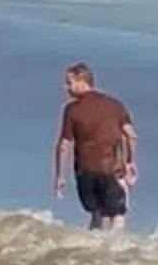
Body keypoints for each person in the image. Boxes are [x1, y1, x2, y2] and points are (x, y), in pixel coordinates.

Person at [52, 63, 138, 231]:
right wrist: (130, 162)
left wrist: (60, 176)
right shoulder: (114, 105)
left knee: (97, 214)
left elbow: (64, 144)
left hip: (85, 173)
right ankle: (112, 245)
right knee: (117, 214)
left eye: (69, 82)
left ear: (83, 81)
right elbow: (132, 136)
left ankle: (95, 243)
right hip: (110, 169)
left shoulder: (71, 110)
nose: (66, 87)